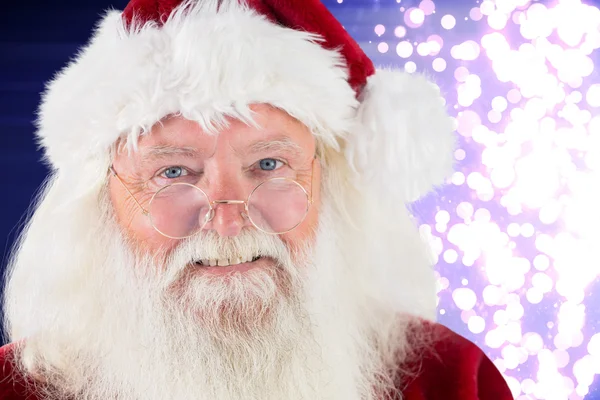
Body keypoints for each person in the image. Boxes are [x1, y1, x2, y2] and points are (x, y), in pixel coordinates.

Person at [0, 0, 514, 399]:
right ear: (100, 203)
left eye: (269, 165)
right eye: (173, 171)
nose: (227, 221)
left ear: (327, 185)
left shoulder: (452, 382)